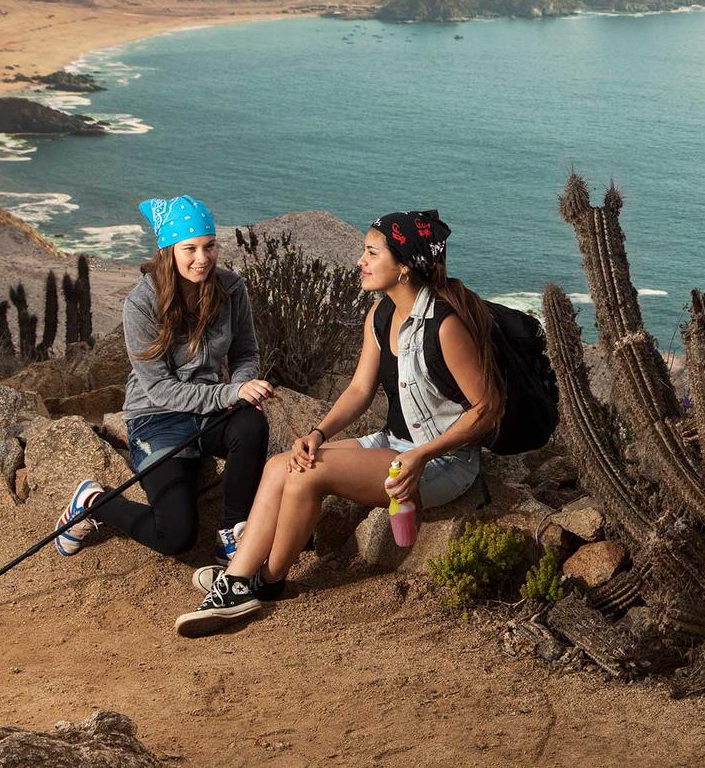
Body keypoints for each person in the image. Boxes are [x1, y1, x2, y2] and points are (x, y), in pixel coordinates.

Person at [174, 209, 503, 636]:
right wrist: (317, 432)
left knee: (311, 476)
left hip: (445, 462)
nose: (360, 262)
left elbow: (486, 408)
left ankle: (260, 584)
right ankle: (241, 575)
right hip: (397, 443)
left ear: (403, 266)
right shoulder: (380, 314)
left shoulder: (445, 326)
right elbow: (358, 390)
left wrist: (423, 454)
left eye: (371, 253)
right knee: (282, 465)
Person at [54, 195, 273, 566]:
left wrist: (244, 386)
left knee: (251, 423)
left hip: (208, 411)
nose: (202, 258)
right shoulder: (141, 303)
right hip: (157, 418)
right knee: (175, 537)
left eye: (209, 246)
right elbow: (158, 388)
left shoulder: (232, 289)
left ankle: (233, 533)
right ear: (168, 250)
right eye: (190, 248)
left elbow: (245, 354)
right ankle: (94, 502)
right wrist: (231, 391)